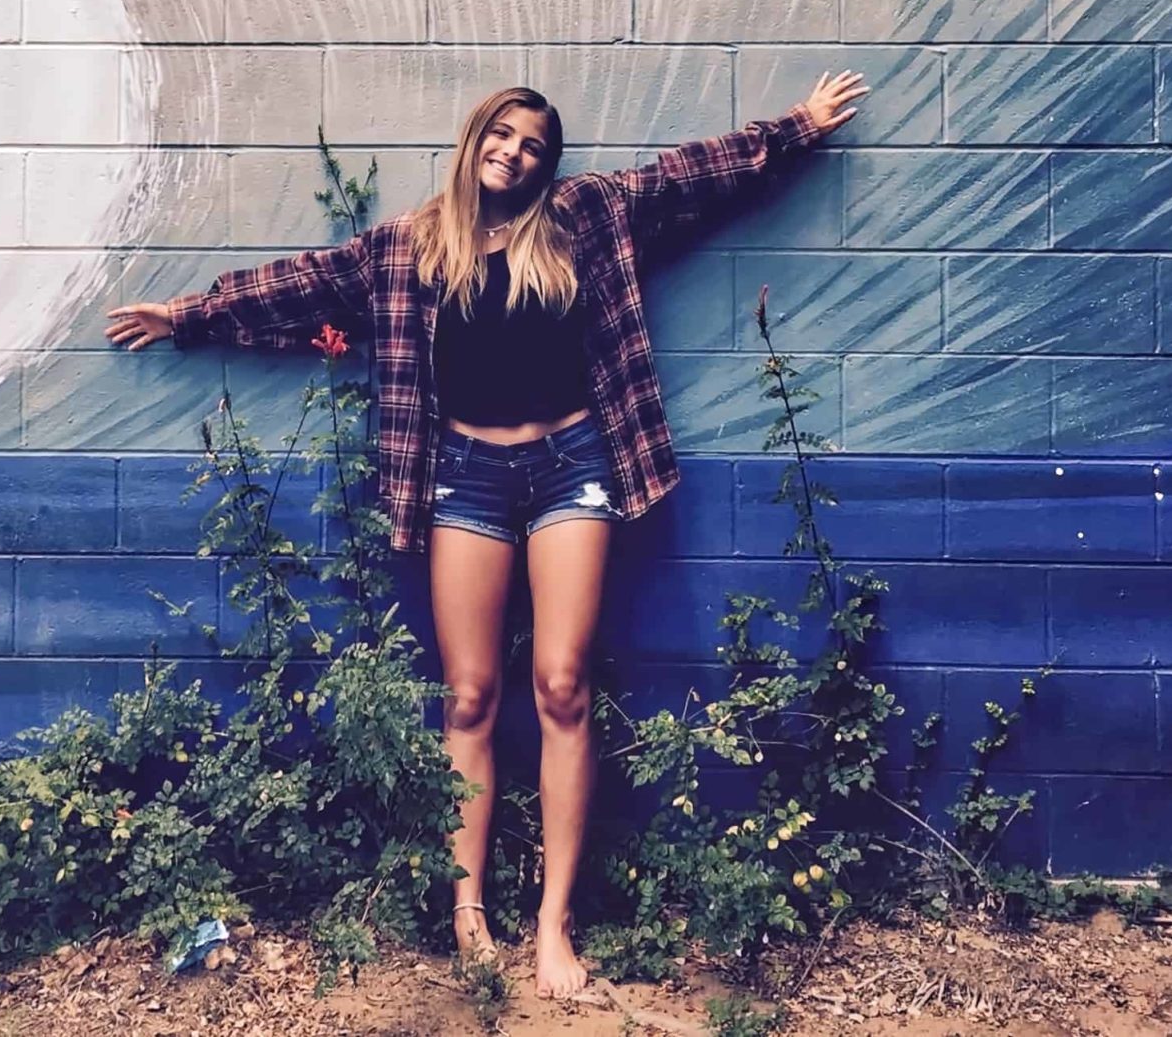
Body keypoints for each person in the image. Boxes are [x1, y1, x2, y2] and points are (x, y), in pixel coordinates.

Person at [105, 70, 869, 999]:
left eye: (533, 145)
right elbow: (301, 287)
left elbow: (690, 176)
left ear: (549, 164)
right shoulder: (410, 246)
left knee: (562, 686)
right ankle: (469, 913)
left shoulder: (587, 216)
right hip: (462, 476)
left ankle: (554, 922)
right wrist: (187, 316)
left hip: (573, 466)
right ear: (476, 140)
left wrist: (797, 127)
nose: (514, 152)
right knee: (468, 696)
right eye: (502, 135)